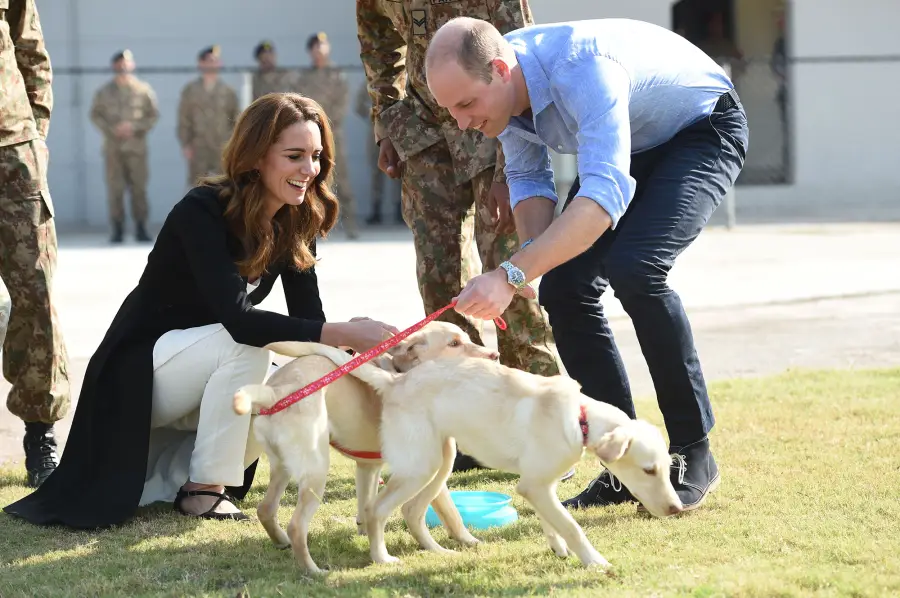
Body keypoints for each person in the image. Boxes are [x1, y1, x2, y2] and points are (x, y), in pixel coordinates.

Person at [4, 93, 399, 529]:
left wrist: (363, 353)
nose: (310, 170)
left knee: (287, 382)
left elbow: (309, 325)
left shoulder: (295, 217)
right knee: (247, 348)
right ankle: (205, 491)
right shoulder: (202, 209)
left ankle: (179, 481)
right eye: (295, 156)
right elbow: (242, 322)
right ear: (255, 157)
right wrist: (338, 333)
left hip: (199, 373)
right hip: (135, 373)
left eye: (316, 156)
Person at [425, 17, 749, 511]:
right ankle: (618, 461)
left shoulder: (582, 69)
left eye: (466, 104)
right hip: (631, 145)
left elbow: (603, 195)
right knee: (564, 288)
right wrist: (533, 264)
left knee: (637, 269)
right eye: (451, 110)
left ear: (498, 69)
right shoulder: (504, 90)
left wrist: (512, 273)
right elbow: (529, 180)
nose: (463, 122)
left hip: (700, 130)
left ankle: (693, 450)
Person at [0, 0, 71, 489]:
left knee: (37, 295)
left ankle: (40, 434)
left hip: (11, 149)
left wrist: (36, 133)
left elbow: (30, 47)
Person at [90, 49, 160, 243]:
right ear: (114, 67)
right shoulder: (104, 92)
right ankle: (118, 229)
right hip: (113, 150)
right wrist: (112, 129)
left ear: (132, 65)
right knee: (115, 190)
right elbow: (95, 115)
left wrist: (135, 128)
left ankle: (141, 228)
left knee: (139, 189)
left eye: (127, 64)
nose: (123, 67)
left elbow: (153, 115)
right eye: (120, 64)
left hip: (137, 149)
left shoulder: (143, 90)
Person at [297, 32, 358, 239]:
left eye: (322, 44)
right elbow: (301, 104)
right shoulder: (304, 77)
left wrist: (327, 126)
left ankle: (351, 226)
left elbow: (342, 104)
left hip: (333, 133)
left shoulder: (337, 74)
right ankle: (312, 227)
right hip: (310, 135)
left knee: (342, 177)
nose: (318, 49)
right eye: (314, 46)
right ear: (309, 51)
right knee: (311, 177)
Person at [177, 44, 240, 187]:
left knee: (225, 185)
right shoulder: (190, 90)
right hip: (199, 146)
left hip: (222, 146)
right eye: (208, 60)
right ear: (201, 63)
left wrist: (234, 145)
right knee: (197, 186)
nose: (212, 64)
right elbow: (184, 119)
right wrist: (186, 144)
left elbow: (237, 120)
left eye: (215, 60)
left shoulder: (228, 92)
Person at [354, 82, 401, 225]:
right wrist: (376, 113)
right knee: (376, 172)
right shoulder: (368, 84)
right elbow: (358, 107)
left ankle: (399, 209)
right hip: (376, 133)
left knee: (399, 171)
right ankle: (376, 209)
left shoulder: (400, 78)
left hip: (399, 132)